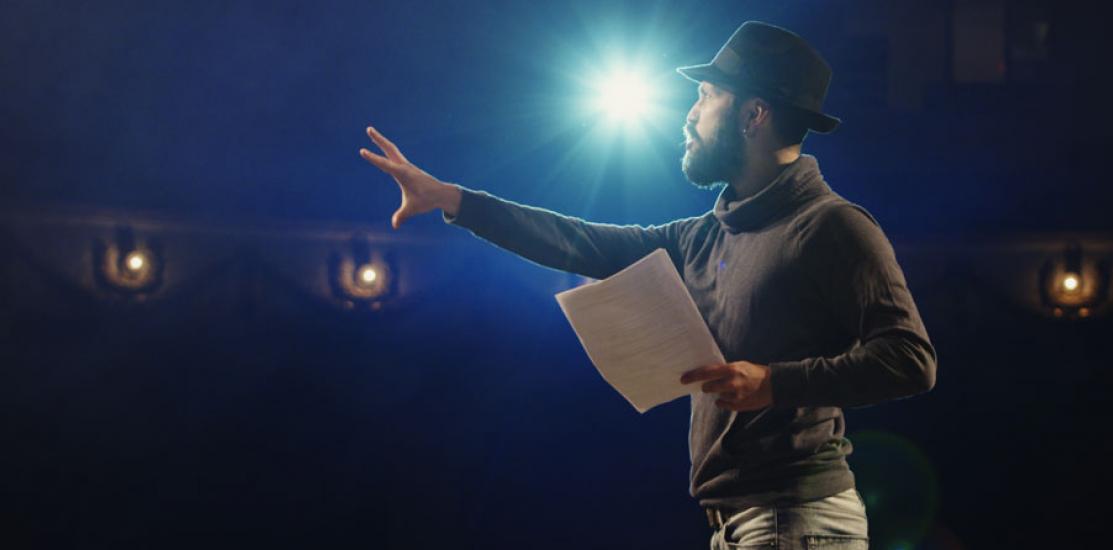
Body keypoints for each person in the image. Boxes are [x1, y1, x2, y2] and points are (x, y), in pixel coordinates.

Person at [359, 21, 936, 550]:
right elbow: (581, 242)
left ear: (753, 114)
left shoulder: (832, 226)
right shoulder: (701, 237)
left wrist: (773, 384)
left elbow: (911, 359)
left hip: (797, 520)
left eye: (706, 95)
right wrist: (454, 200)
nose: (690, 115)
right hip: (743, 525)